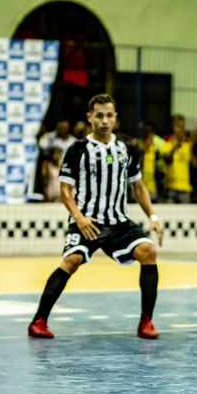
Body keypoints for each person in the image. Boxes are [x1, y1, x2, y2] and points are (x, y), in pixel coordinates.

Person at [27, 94, 163, 339]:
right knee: (71, 261)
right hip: (86, 220)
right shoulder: (77, 149)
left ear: (115, 118)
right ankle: (38, 321)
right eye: (99, 115)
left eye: (109, 115)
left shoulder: (127, 149)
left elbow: (138, 187)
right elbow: (65, 190)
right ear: (89, 117)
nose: (104, 120)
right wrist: (78, 218)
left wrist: (152, 215)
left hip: (119, 222)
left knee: (148, 252)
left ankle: (146, 322)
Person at [159, 114, 193, 203]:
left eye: (182, 127)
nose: (181, 130)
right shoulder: (166, 145)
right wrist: (174, 148)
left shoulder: (186, 146)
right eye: (178, 127)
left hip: (185, 188)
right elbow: (168, 161)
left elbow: (194, 164)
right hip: (171, 188)